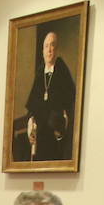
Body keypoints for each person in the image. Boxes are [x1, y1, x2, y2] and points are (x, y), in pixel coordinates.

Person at [22, 31, 76, 162]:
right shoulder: (40, 74)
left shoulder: (62, 72)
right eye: (46, 46)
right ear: (42, 51)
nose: (49, 50)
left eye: (52, 45)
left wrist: (60, 127)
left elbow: (69, 104)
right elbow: (32, 108)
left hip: (56, 135)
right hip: (40, 135)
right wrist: (31, 125)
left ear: (56, 49)